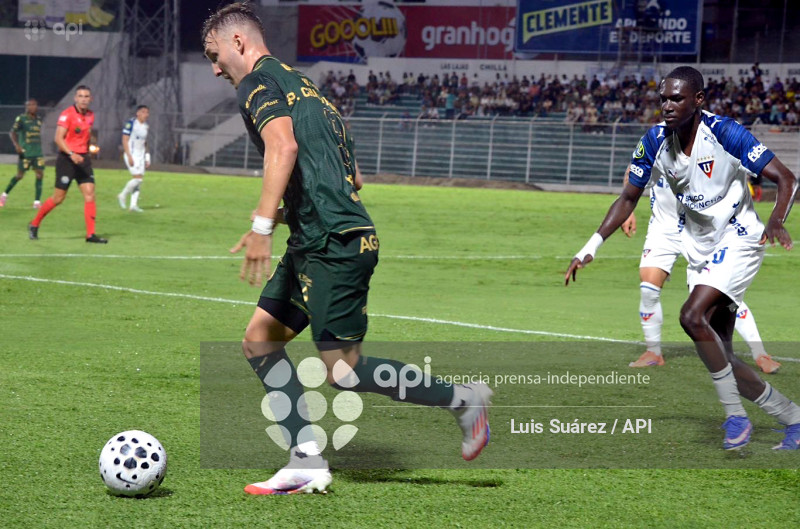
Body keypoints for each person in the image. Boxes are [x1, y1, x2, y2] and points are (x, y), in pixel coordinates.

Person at [202, 2, 492, 495]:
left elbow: (283, 146)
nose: (214, 68)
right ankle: (305, 459)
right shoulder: (311, 89)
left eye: (214, 54)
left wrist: (262, 224)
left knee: (344, 370)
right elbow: (354, 174)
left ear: (237, 43)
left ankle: (464, 400)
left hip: (332, 241)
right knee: (259, 340)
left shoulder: (257, 83)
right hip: (320, 238)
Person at [565, 66, 800, 451]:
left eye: (677, 98)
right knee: (719, 354)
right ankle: (793, 417)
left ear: (698, 100)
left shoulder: (725, 133)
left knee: (691, 317)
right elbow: (628, 198)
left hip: (739, 238)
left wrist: (776, 220)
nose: (668, 106)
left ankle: (735, 418)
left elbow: (787, 178)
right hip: (700, 248)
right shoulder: (655, 140)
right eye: (663, 98)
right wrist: (591, 246)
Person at [621, 170, 781, 374]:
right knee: (648, 288)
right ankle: (653, 353)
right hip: (663, 228)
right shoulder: (654, 141)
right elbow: (632, 170)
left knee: (720, 292)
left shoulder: (701, 146)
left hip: (699, 227)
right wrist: (629, 208)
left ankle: (760, 353)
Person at [28, 86, 107, 243]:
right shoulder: (67, 115)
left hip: (83, 159)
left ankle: (90, 235)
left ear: (90, 99)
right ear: (75, 98)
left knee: (90, 193)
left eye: (86, 96)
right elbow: (58, 138)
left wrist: (87, 149)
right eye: (80, 96)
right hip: (67, 159)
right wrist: (72, 154)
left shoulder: (91, 115)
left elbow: (86, 134)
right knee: (58, 198)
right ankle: (34, 223)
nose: (84, 99)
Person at [1, 99, 45, 209]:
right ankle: (4, 195)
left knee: (40, 175)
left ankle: (37, 202)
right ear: (26, 107)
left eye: (34, 104)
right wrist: (17, 145)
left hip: (37, 152)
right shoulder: (21, 119)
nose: (32, 107)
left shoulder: (39, 120)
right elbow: (12, 132)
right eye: (29, 105)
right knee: (20, 176)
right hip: (26, 153)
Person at [117, 105, 151, 213]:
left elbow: (145, 142)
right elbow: (124, 140)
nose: (146, 114)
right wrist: (129, 155)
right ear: (138, 113)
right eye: (143, 112)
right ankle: (122, 195)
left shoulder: (146, 126)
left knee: (139, 181)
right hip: (132, 154)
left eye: (147, 112)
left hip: (141, 155)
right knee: (138, 179)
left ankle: (133, 205)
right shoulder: (131, 123)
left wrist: (147, 156)